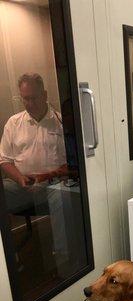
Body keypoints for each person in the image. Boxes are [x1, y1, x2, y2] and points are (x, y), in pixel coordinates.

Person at [0, 73, 69, 257]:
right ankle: (7, 256)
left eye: (33, 98)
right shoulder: (13, 123)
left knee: (62, 196)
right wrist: (20, 178)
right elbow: (5, 160)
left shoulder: (61, 124)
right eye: (25, 98)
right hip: (20, 184)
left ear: (44, 95)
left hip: (52, 184)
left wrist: (43, 178)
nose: (29, 103)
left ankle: (62, 255)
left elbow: (69, 166)